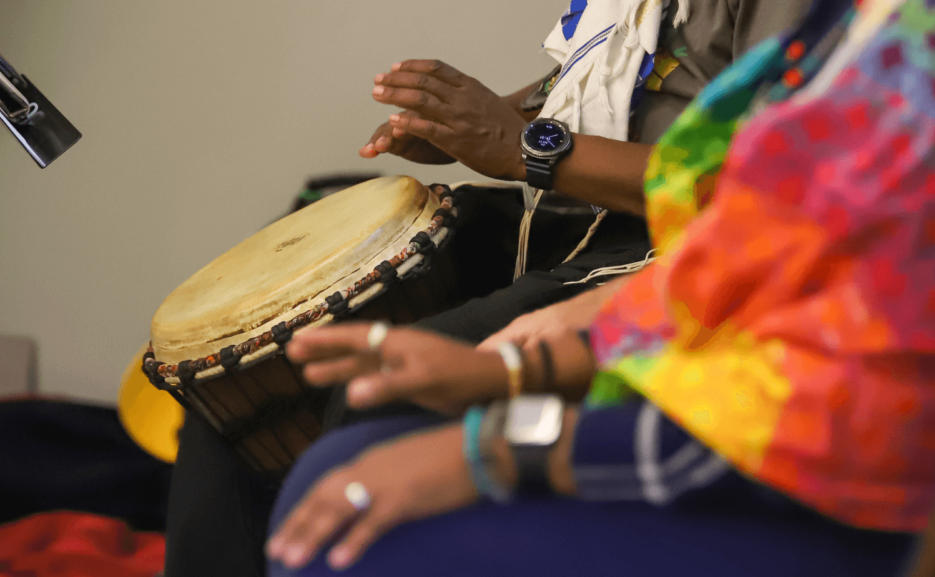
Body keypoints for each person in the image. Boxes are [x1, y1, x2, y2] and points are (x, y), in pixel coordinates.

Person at [266, 0, 935, 574]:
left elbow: (819, 408)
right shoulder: (869, 28)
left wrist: (494, 449)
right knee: (336, 457)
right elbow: (757, 249)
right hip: (766, 443)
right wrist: (521, 368)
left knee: (339, 520)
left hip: (864, 515)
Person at [163, 1, 813, 576]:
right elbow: (620, 74)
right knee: (254, 344)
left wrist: (523, 145)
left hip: (672, 246)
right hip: (563, 212)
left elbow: (776, 192)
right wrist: (471, 121)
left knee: (384, 385)